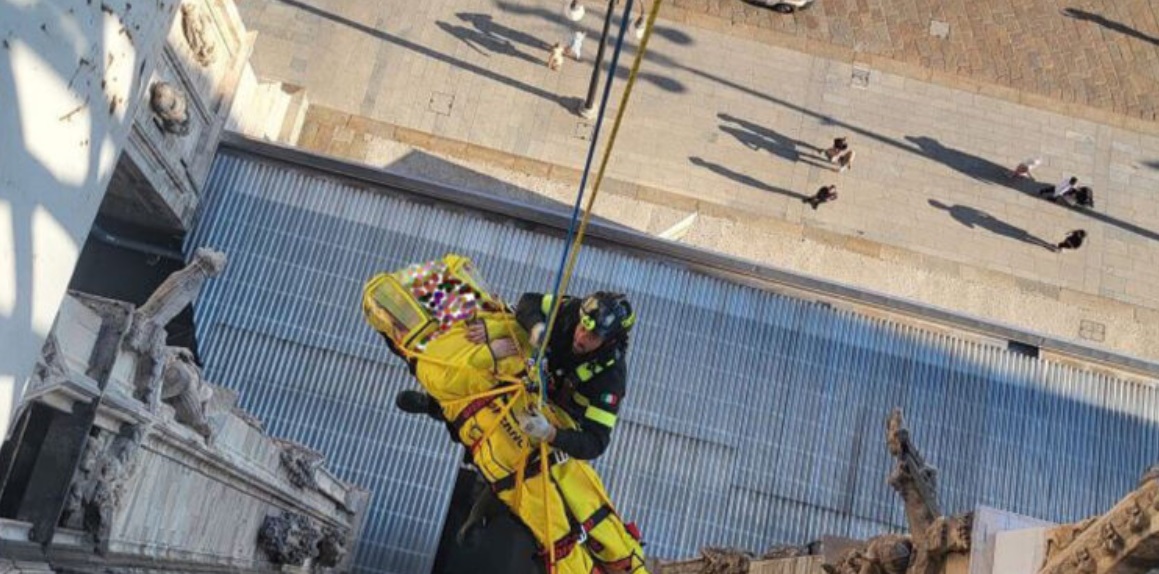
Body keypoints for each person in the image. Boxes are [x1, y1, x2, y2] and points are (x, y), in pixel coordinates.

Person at [396, 291, 635, 461]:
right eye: (582, 327)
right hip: (532, 373)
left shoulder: (610, 379)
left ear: (610, 340)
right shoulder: (573, 309)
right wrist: (536, 328)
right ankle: (437, 405)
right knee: (488, 369)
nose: (581, 337)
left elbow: (596, 443)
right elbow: (529, 302)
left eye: (592, 337)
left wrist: (551, 434)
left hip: (554, 416)